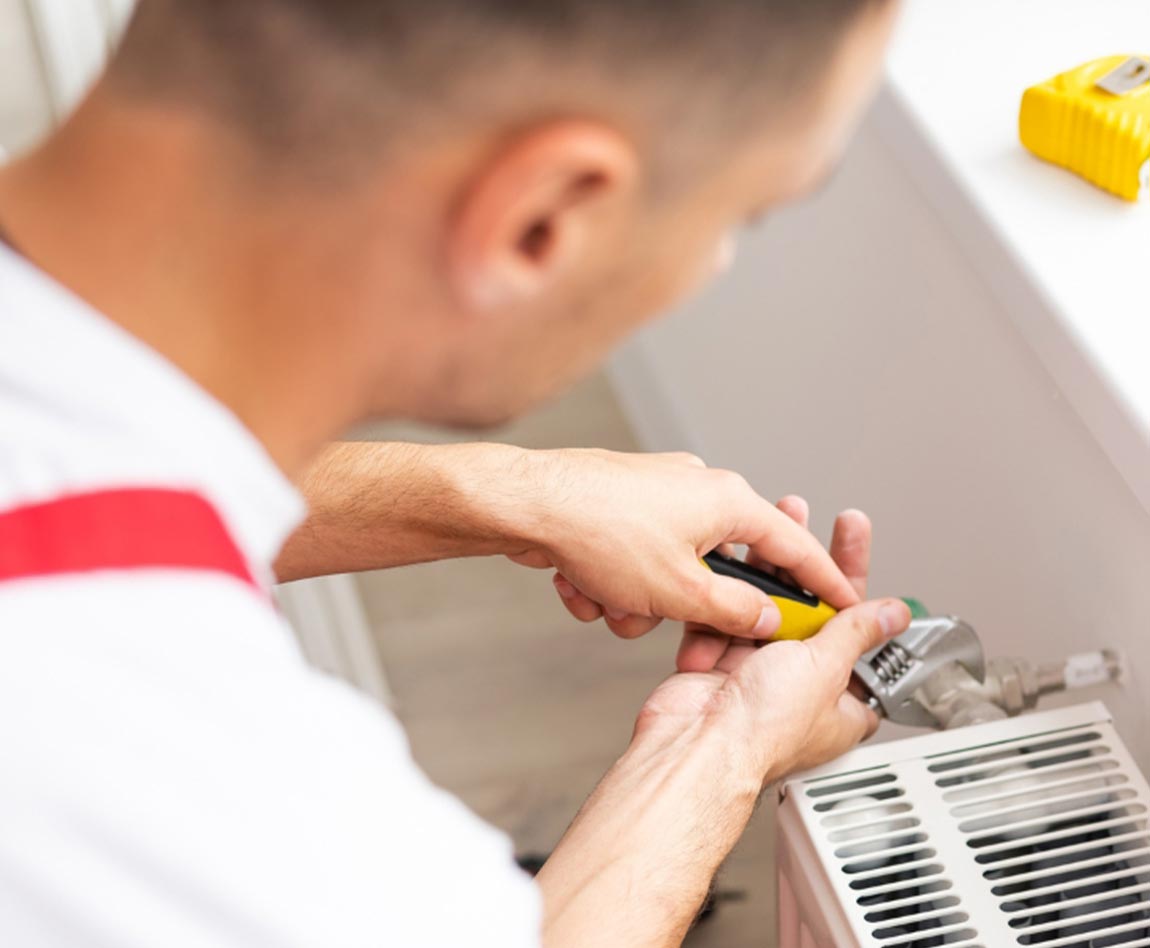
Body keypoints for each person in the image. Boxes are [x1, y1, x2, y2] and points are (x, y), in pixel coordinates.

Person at [0, 0, 909, 945]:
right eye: (742, 215)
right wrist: (725, 750)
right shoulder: (202, 803)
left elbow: (74, 495)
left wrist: (503, 495)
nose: (711, 258)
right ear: (541, 222)